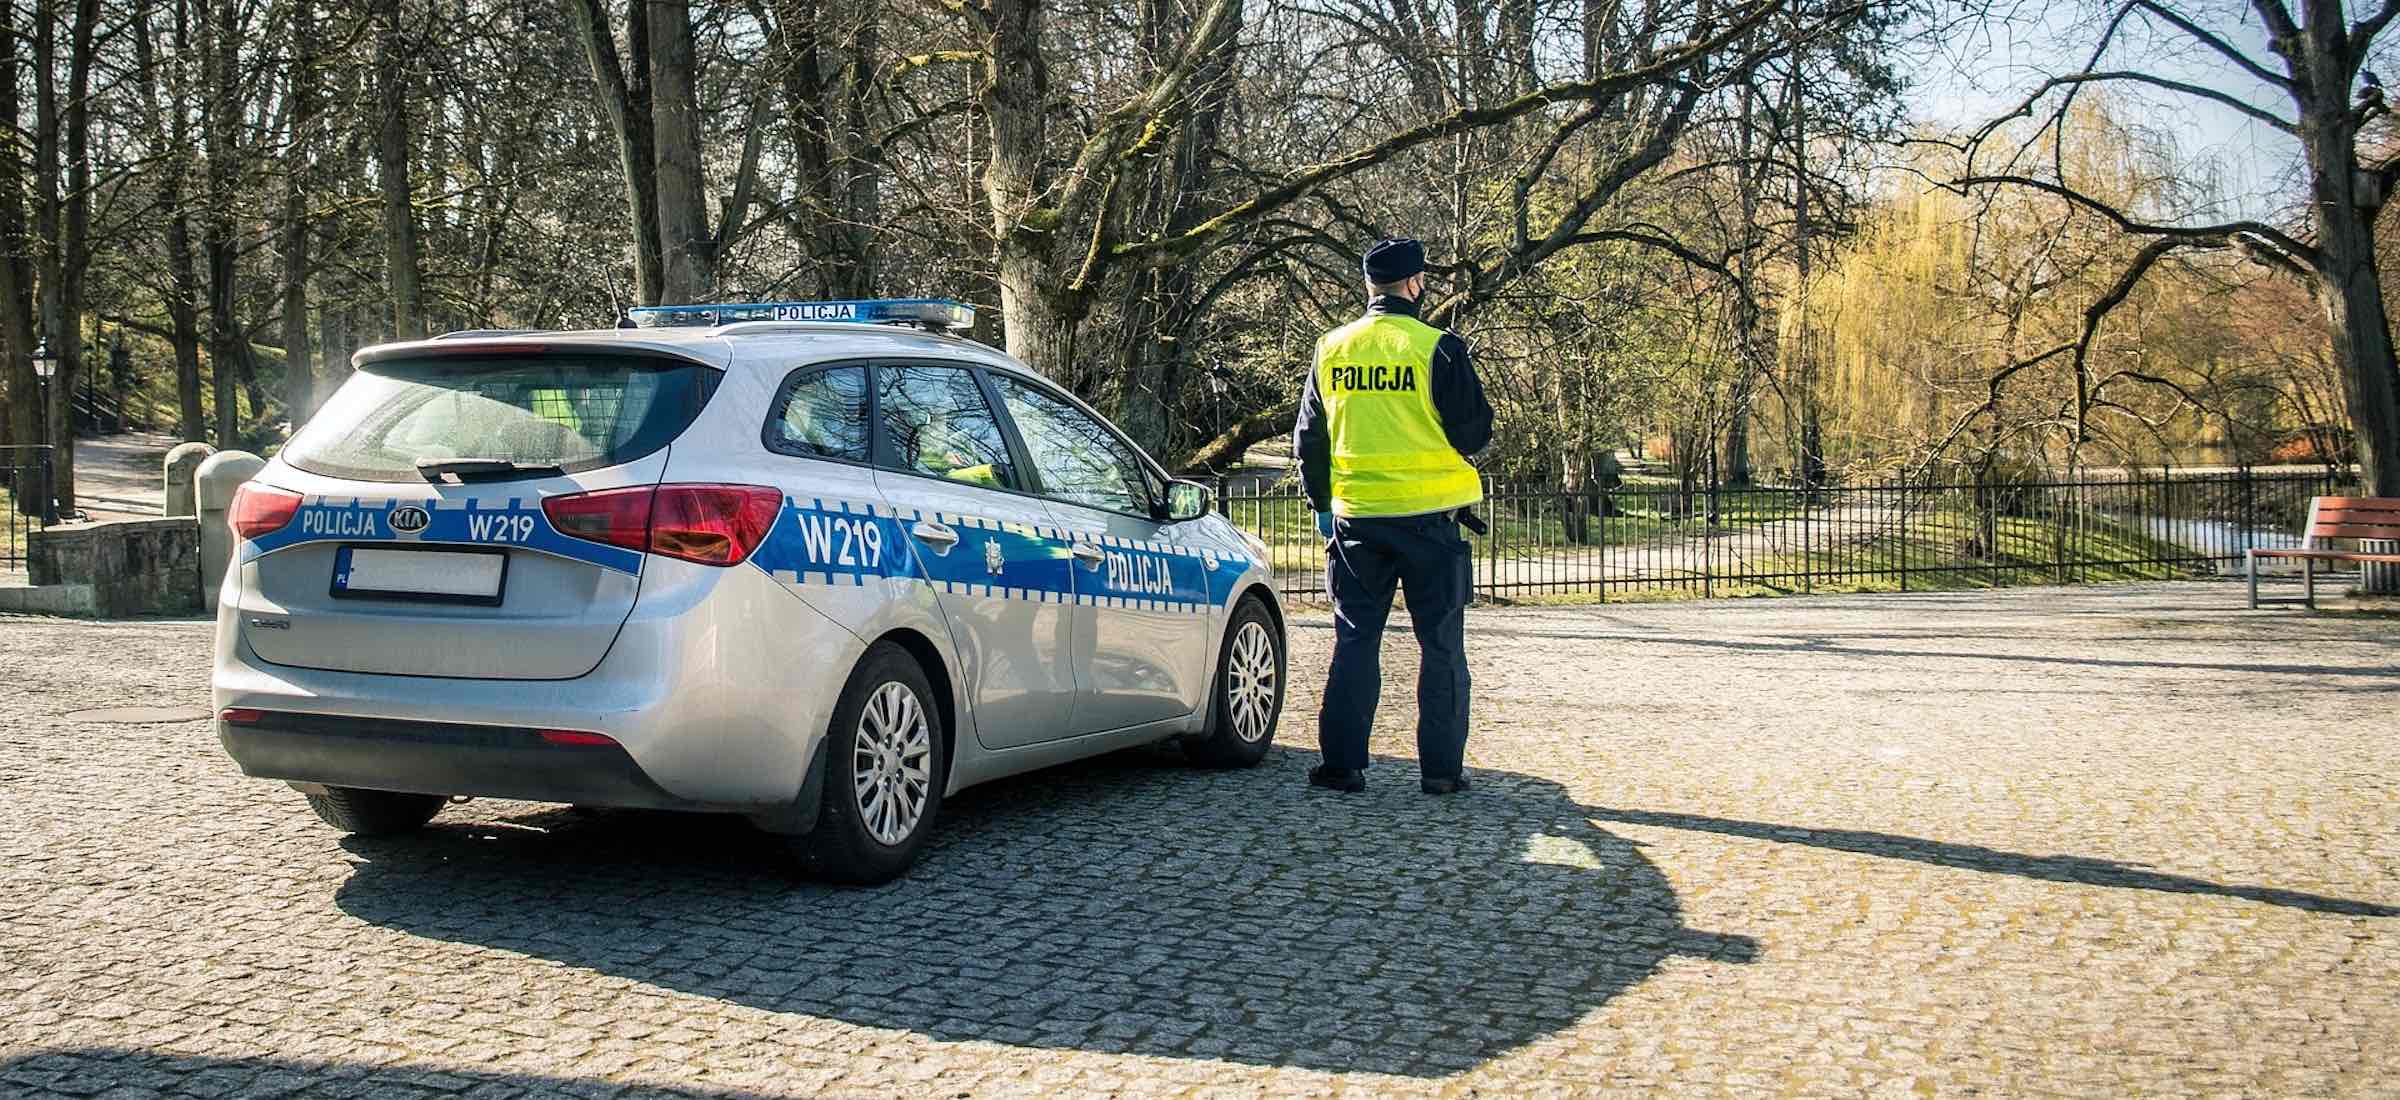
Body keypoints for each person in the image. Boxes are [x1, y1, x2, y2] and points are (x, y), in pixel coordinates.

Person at [1292, 238, 1494, 796]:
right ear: (1414, 284)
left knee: (1355, 639)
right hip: (1430, 521)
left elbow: (1310, 440)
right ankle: (1441, 773)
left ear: (1369, 286)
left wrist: (1322, 505)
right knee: (1441, 645)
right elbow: (1475, 433)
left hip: (1357, 520)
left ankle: (1341, 766)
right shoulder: (1439, 348)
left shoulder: (1332, 349)